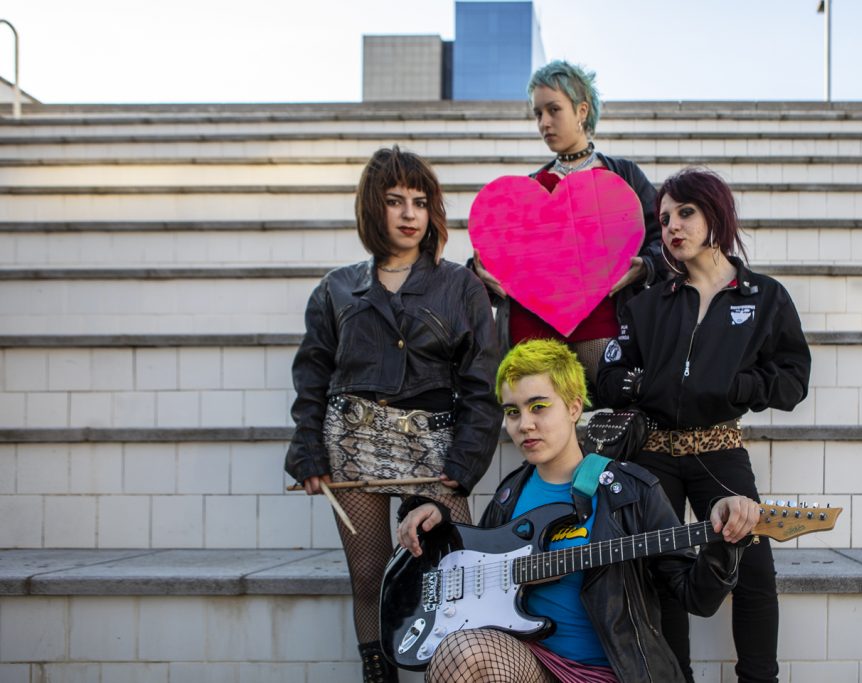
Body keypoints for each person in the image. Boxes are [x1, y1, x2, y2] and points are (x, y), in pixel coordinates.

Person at [397, 339, 761, 682]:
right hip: (530, 663)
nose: (525, 424)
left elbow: (697, 598)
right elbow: (478, 568)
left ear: (574, 408)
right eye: (512, 412)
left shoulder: (630, 491)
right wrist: (436, 524)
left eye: (539, 406)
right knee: (457, 654)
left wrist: (725, 540)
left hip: (609, 671)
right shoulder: (509, 494)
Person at [284, 146, 503, 683]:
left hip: (436, 451)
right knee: (369, 576)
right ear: (371, 207)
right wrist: (309, 450)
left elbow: (484, 385)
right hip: (352, 443)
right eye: (395, 201)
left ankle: (454, 672)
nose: (409, 214)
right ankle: (378, 675)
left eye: (420, 202)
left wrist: (465, 463)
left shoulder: (461, 287)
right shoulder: (336, 289)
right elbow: (312, 377)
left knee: (449, 574)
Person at [597, 168, 812, 683]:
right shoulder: (649, 303)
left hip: (719, 447)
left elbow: (793, 379)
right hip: (653, 455)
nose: (672, 226)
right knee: (663, 573)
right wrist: (648, 385)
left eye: (685, 213)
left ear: (716, 214)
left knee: (754, 571)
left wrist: (734, 386)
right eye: (664, 217)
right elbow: (608, 377)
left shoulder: (764, 296)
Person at [473, 60, 663, 389]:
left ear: (582, 110)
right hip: (532, 329)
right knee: (539, 411)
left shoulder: (623, 176)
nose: (544, 122)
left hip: (603, 323)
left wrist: (646, 266)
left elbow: (664, 238)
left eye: (554, 110)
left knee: (610, 403)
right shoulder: (529, 188)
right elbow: (496, 257)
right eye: (537, 114)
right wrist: (480, 273)